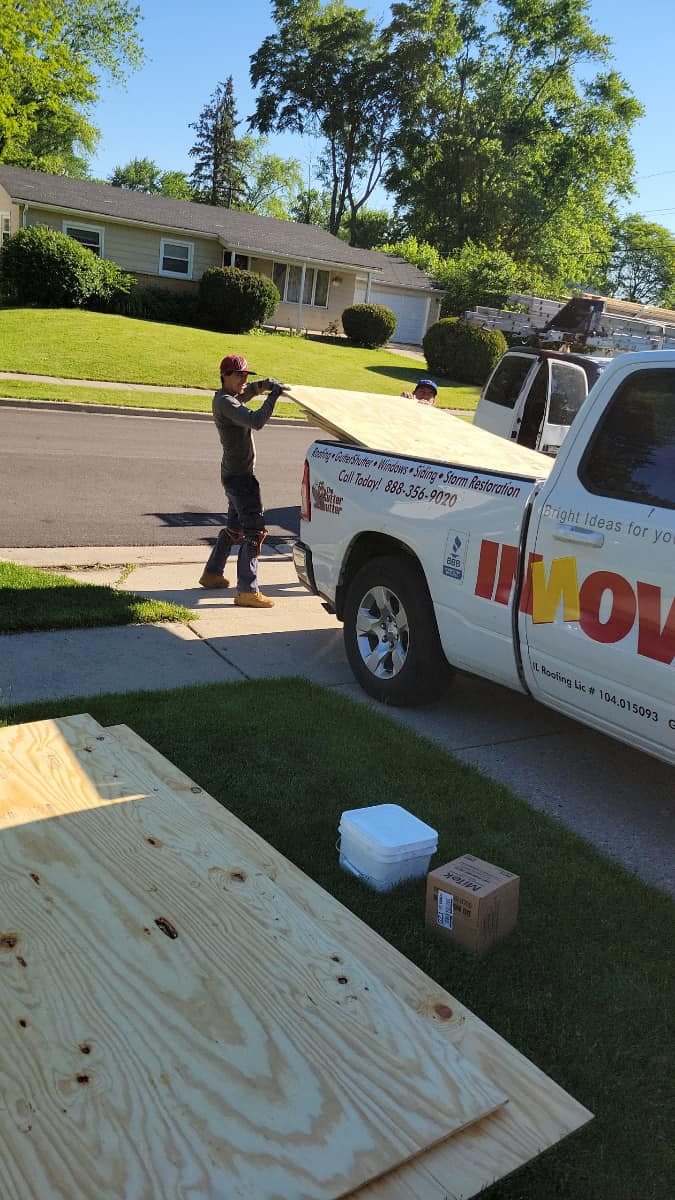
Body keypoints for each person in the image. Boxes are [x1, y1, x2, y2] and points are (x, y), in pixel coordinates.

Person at [199, 354, 286, 608]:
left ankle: (212, 574)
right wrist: (273, 396)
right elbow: (256, 421)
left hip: (233, 475)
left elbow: (246, 394)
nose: (243, 380)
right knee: (254, 532)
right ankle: (247, 590)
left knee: (234, 528)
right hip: (240, 479)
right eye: (239, 375)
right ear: (224, 375)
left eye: (246, 375)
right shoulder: (226, 402)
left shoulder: (226, 397)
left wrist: (264, 384)